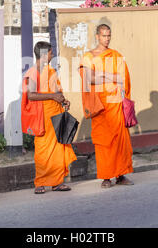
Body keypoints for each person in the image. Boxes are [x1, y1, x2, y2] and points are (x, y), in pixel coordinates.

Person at [79, 24, 134, 188]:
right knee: (104, 143)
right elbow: (90, 79)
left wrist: (103, 76)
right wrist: (110, 76)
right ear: (97, 36)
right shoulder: (88, 56)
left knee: (120, 142)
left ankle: (121, 175)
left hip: (116, 104)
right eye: (103, 36)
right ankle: (106, 177)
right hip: (100, 107)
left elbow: (123, 79)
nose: (107, 39)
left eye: (109, 36)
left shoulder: (116, 55)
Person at [22, 41, 77, 194]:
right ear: (45, 55)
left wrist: (62, 99)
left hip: (56, 113)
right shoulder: (33, 72)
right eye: (51, 53)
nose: (53, 56)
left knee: (58, 148)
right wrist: (53, 96)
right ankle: (40, 182)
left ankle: (57, 182)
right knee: (43, 150)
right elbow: (31, 95)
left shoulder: (51, 71)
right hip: (43, 117)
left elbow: (56, 92)